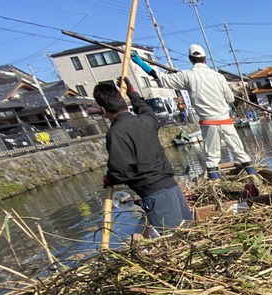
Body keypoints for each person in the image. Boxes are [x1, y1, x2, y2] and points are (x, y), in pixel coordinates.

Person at [131, 44, 256, 180]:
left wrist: (141, 63)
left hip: (209, 123)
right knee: (240, 153)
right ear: (205, 59)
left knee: (212, 158)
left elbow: (160, 78)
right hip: (226, 122)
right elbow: (230, 98)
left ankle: (216, 186)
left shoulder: (187, 76)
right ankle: (255, 179)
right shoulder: (218, 77)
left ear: (190, 59)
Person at [93, 78, 192, 233]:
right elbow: (148, 112)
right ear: (124, 103)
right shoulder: (145, 121)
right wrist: (134, 95)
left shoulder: (116, 132)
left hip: (155, 194)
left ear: (104, 110)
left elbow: (122, 171)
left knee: (174, 237)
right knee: (188, 231)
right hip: (172, 187)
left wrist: (110, 178)